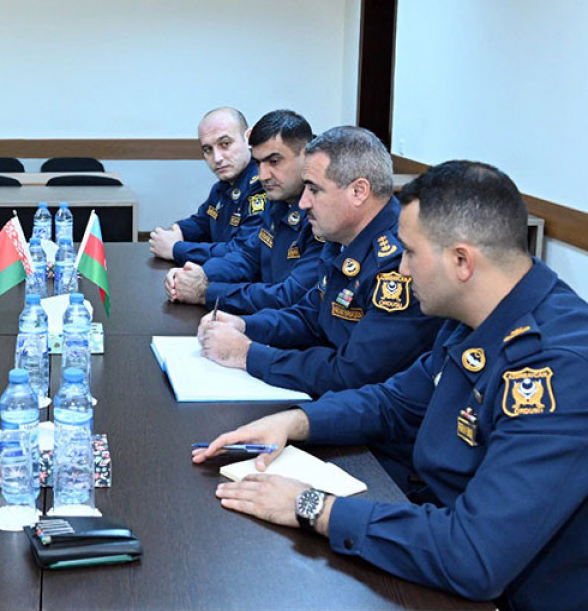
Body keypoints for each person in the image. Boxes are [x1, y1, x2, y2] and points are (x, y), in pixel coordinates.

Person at [194, 161, 588, 611]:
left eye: (409, 252)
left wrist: (311, 506)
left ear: (462, 261)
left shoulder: (565, 374)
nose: (401, 269)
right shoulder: (477, 317)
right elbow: (396, 402)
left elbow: (474, 556)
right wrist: (296, 421)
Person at [197, 126, 439, 396]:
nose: (303, 203)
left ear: (359, 191)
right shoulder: (341, 236)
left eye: (314, 189)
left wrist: (247, 354)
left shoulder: (398, 263)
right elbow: (313, 315)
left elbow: (353, 372)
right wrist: (245, 325)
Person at [164, 109, 323, 314]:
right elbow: (248, 256)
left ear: (306, 156)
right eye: (258, 163)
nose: (263, 175)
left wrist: (206, 292)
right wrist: (200, 275)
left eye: (274, 161)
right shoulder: (278, 200)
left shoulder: (321, 214)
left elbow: (290, 297)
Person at [148, 107, 264, 264]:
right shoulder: (222, 187)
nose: (217, 158)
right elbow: (202, 223)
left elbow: (241, 252)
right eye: (208, 149)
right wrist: (177, 231)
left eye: (225, 144)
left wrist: (176, 249)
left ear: (248, 138)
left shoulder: (263, 186)